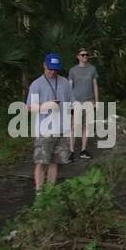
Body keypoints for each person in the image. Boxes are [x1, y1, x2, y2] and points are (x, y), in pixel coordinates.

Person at [28, 53, 73, 191]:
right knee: (41, 162)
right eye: (49, 69)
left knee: (55, 162)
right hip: (44, 130)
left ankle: (50, 191)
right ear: (44, 66)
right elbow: (29, 107)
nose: (52, 72)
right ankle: (40, 193)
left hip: (61, 129)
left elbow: (71, 105)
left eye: (55, 69)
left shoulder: (65, 82)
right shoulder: (37, 84)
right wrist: (44, 106)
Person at [66, 48, 101, 156]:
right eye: (83, 55)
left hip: (89, 101)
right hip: (76, 102)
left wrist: (97, 101)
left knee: (86, 126)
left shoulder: (92, 69)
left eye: (87, 55)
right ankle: (71, 151)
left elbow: (94, 85)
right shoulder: (73, 70)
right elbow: (69, 86)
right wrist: (69, 102)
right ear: (78, 56)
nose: (85, 56)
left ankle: (83, 150)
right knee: (73, 126)